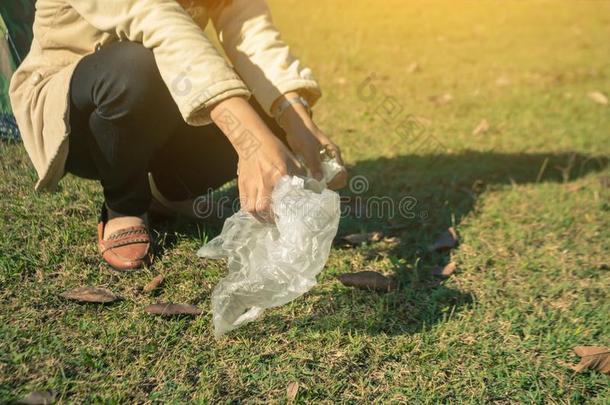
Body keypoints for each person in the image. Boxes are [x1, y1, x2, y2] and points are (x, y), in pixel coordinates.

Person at [9, 0, 347, 271]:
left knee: (271, 104)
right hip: (79, 112)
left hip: (168, 95)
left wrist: (296, 118)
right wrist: (249, 140)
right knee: (137, 63)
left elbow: (252, 34)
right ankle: (124, 204)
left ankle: (170, 192)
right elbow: (155, 18)